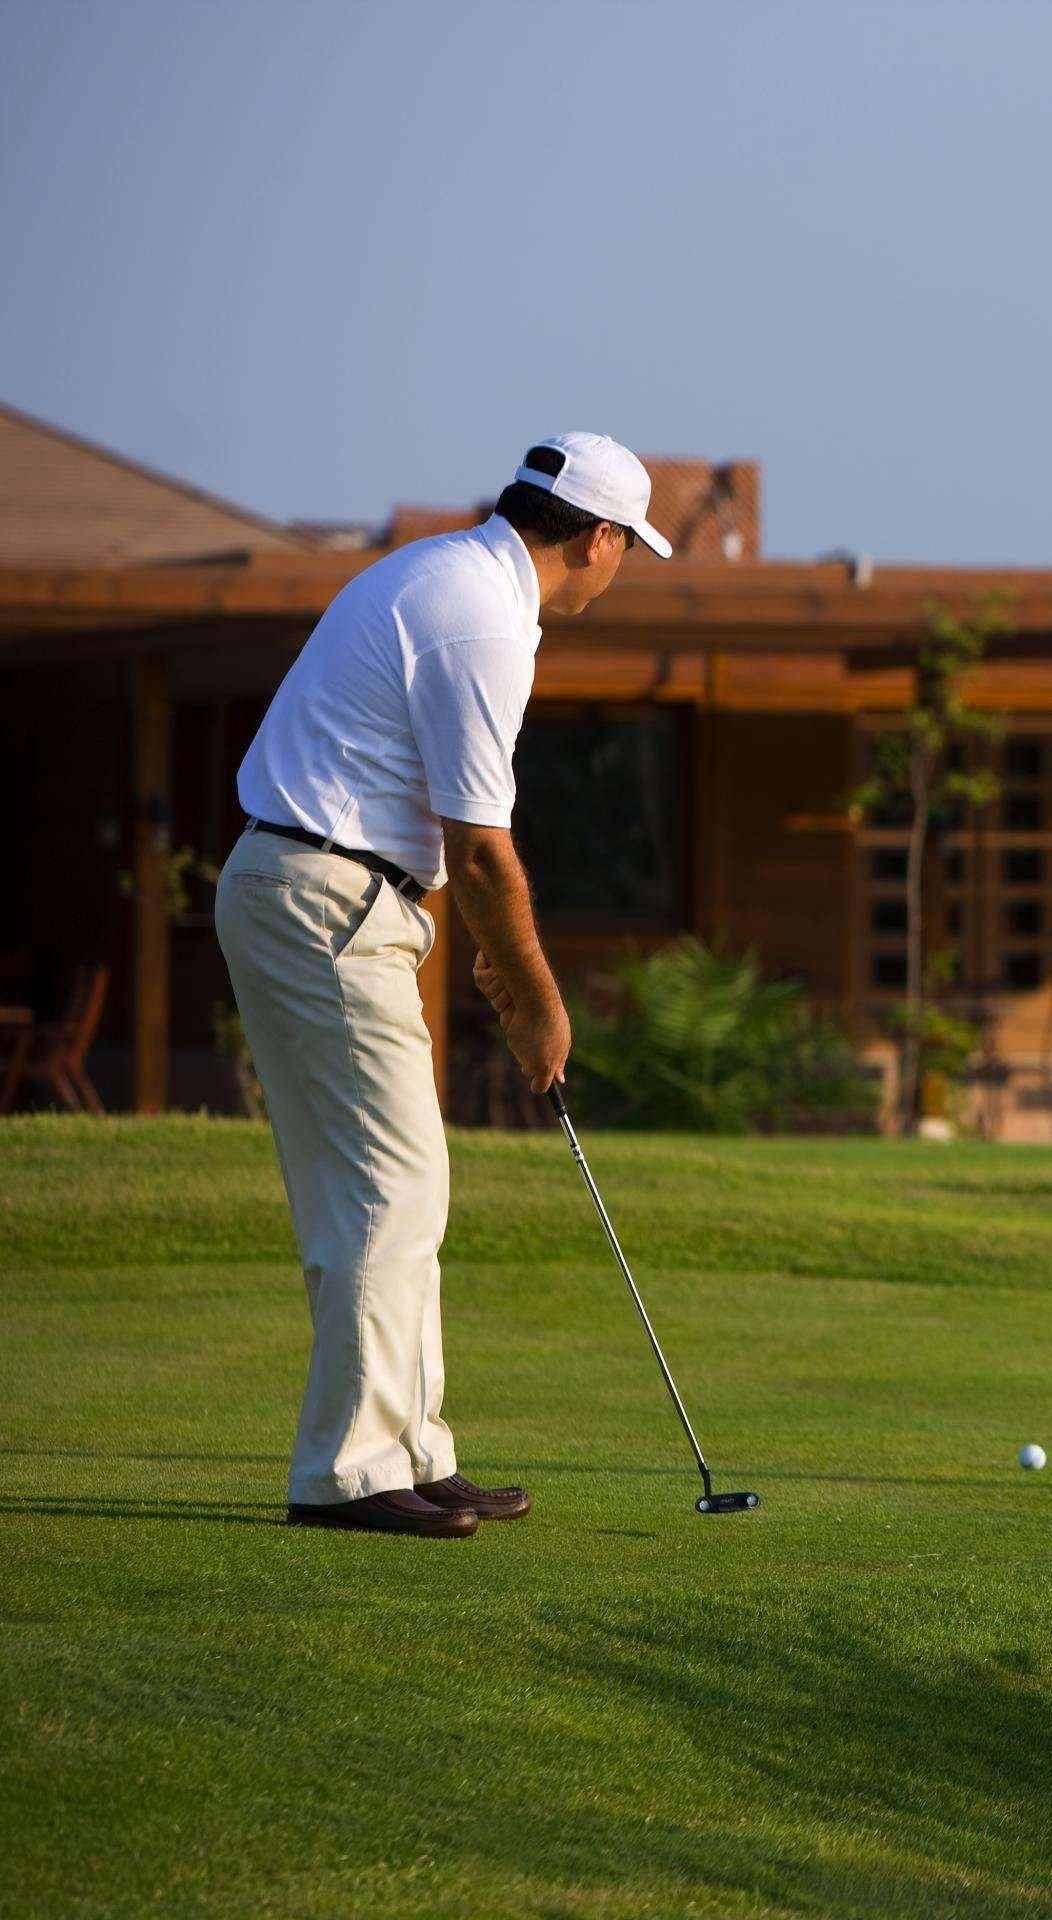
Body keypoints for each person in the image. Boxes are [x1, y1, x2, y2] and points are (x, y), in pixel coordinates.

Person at [214, 433, 670, 1538]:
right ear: (599, 539)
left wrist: (486, 960)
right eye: (628, 549)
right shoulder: (480, 616)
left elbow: (450, 844)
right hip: (325, 897)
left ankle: (412, 1450)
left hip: (334, 892)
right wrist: (539, 1002)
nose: (620, 570)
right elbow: (484, 850)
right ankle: (351, 1475)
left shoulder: (452, 573)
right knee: (389, 1187)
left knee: (396, 1187)